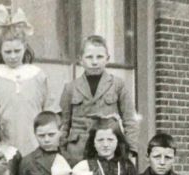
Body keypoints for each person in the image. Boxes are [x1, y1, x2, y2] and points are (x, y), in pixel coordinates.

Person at [59, 35, 139, 164]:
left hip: (109, 151)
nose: (94, 62)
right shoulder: (70, 88)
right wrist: (62, 152)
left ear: (107, 59)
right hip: (77, 153)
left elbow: (129, 120)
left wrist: (130, 150)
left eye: (100, 57)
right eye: (89, 57)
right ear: (80, 59)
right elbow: (64, 125)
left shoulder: (118, 85)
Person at [0, 5, 50, 156]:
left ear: (25, 48)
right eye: (7, 52)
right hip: (2, 146)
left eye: (17, 51)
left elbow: (47, 111)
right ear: (0, 51)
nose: (13, 56)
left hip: (33, 144)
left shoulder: (37, 74)